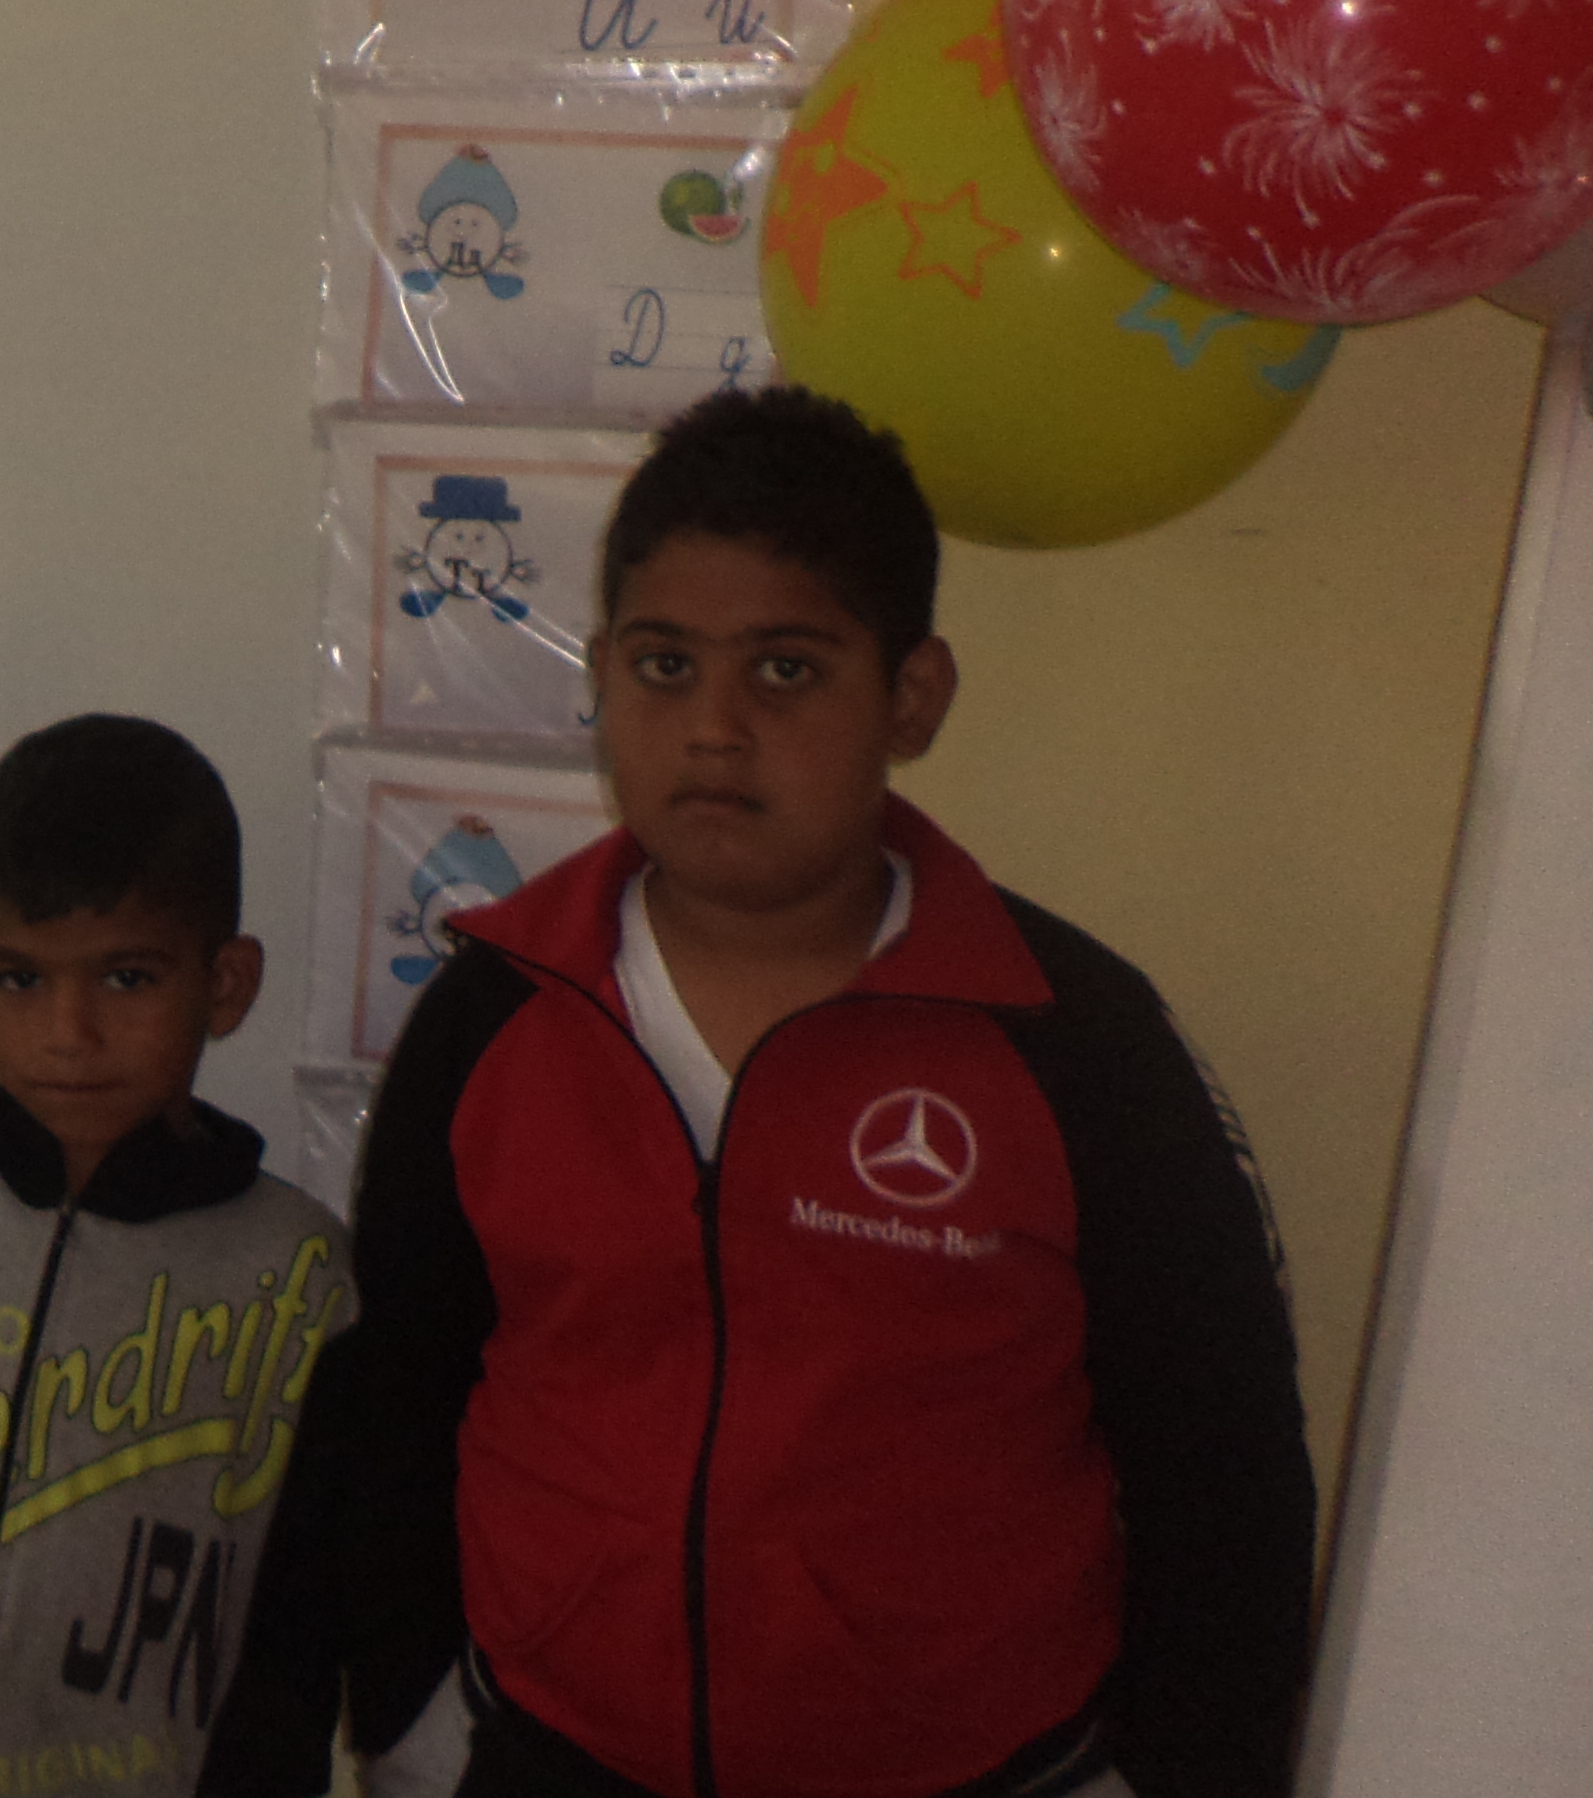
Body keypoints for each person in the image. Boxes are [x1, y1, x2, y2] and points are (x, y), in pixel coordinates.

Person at [205, 386, 1315, 1798]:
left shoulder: (1073, 1040)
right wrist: (407, 1710)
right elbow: (399, 1397)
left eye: (786, 669)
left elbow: (1224, 1462)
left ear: (912, 696)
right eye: (665, 665)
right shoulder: (494, 1013)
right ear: (601, 674)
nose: (715, 727)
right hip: (550, 1756)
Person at [0, 717, 351, 1798]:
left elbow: (300, 1636)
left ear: (226, 983)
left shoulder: (300, 1273)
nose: (68, 1031)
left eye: (125, 977)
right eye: (21, 979)